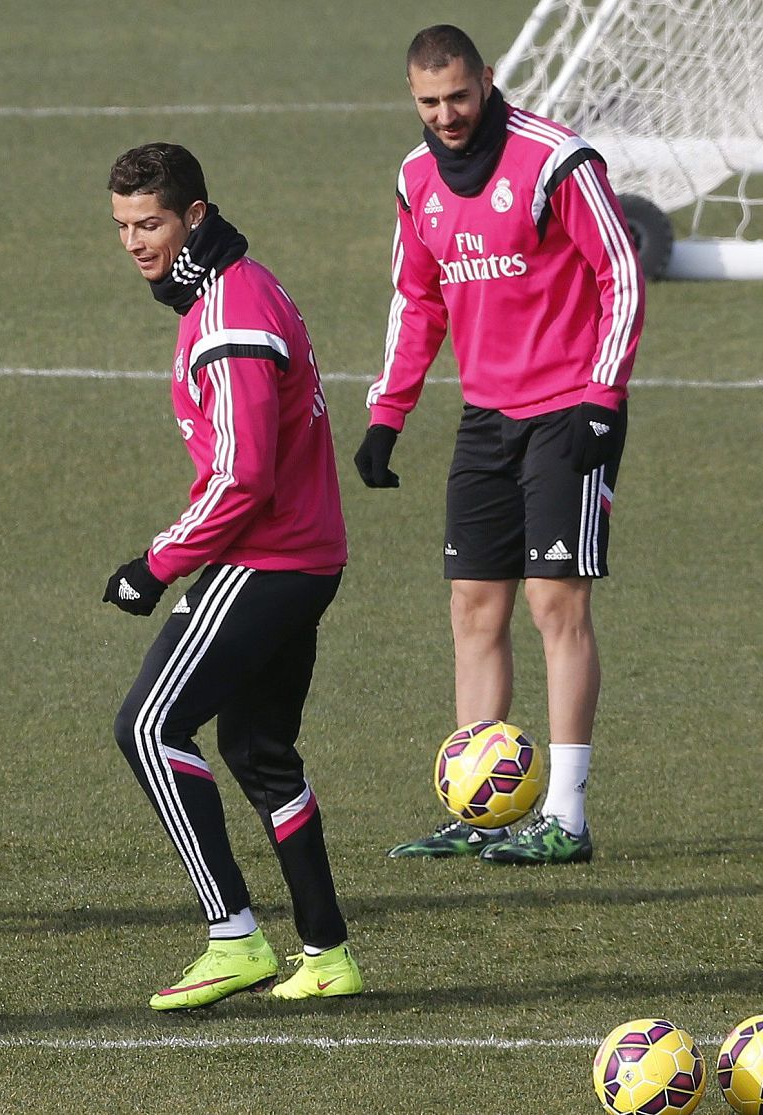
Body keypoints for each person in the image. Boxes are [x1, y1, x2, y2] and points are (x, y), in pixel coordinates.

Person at [357, 25, 643, 865]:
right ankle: (480, 809)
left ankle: (567, 815)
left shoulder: (558, 161)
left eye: (458, 96)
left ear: (487, 80)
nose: (446, 115)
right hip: (486, 418)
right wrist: (388, 412)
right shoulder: (416, 180)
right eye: (428, 102)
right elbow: (418, 299)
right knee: (473, 608)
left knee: (556, 603)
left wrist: (602, 397)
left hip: (568, 411)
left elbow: (619, 273)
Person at [104, 143, 361, 1011]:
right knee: (259, 753)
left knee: (148, 726)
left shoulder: (229, 315)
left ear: (195, 217)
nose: (136, 243)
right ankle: (327, 952)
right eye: (124, 227)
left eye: (151, 224)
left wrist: (155, 564)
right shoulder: (239, 284)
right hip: (304, 552)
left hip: (270, 556)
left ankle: (234, 936)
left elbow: (244, 475)